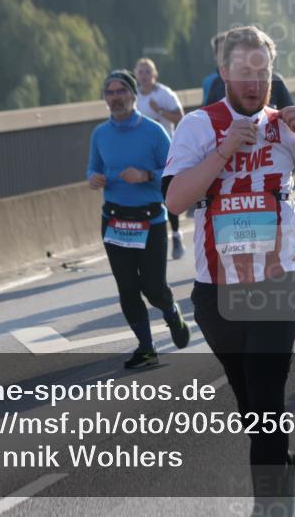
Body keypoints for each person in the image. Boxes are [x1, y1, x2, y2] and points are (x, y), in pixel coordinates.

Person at [163, 25, 295, 509]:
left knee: (267, 392)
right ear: (224, 73)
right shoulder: (197, 126)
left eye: (263, 71)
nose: (254, 82)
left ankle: (269, 503)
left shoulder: (285, 125)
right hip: (216, 290)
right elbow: (175, 201)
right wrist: (224, 150)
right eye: (244, 71)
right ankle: (282, 461)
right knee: (252, 404)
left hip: (278, 280)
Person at [89, 69, 190, 369]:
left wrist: (145, 175)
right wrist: (94, 179)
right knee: (127, 289)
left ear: (134, 95)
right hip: (115, 220)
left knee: (153, 288)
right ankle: (146, 347)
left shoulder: (153, 132)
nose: (116, 97)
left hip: (150, 221)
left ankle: (170, 310)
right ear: (105, 98)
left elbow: (175, 172)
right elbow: (92, 167)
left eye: (122, 91)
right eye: (110, 92)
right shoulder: (99, 134)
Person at [135, 58, 187, 260]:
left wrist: (160, 112)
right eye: (140, 72)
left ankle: (175, 234)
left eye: (148, 71)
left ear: (154, 74)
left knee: (168, 196)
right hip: (142, 153)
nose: (144, 75)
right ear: (136, 75)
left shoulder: (163, 93)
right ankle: (149, 240)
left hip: (166, 151)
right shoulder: (134, 97)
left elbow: (180, 117)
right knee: (147, 197)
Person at [202, 32, 227, 105]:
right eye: (221, 49)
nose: (225, 53)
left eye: (227, 48)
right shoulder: (209, 81)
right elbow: (207, 108)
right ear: (215, 55)